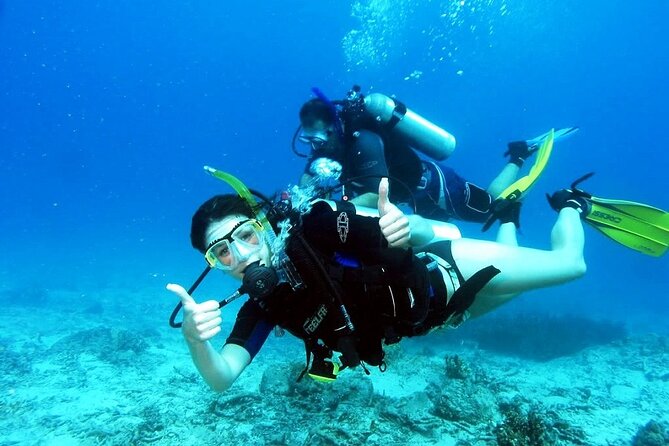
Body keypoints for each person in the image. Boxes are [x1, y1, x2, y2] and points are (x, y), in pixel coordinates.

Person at [168, 174, 596, 392]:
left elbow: (412, 234)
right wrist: (195, 341)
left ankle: (571, 202)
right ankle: (506, 217)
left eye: (244, 235)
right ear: (213, 265)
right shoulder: (260, 307)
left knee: (570, 265)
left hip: (449, 271)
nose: (241, 256)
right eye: (221, 251)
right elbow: (222, 377)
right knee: (518, 286)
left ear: (263, 226)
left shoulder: (316, 229)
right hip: (444, 318)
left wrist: (408, 227)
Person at [295, 86, 578, 225]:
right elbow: (306, 186)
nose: (314, 147)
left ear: (334, 128)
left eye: (318, 138)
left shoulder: (363, 141)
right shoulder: (326, 150)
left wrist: (328, 213)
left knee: (490, 209)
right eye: (308, 140)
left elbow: (374, 193)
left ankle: (519, 155)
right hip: (413, 201)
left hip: (439, 187)